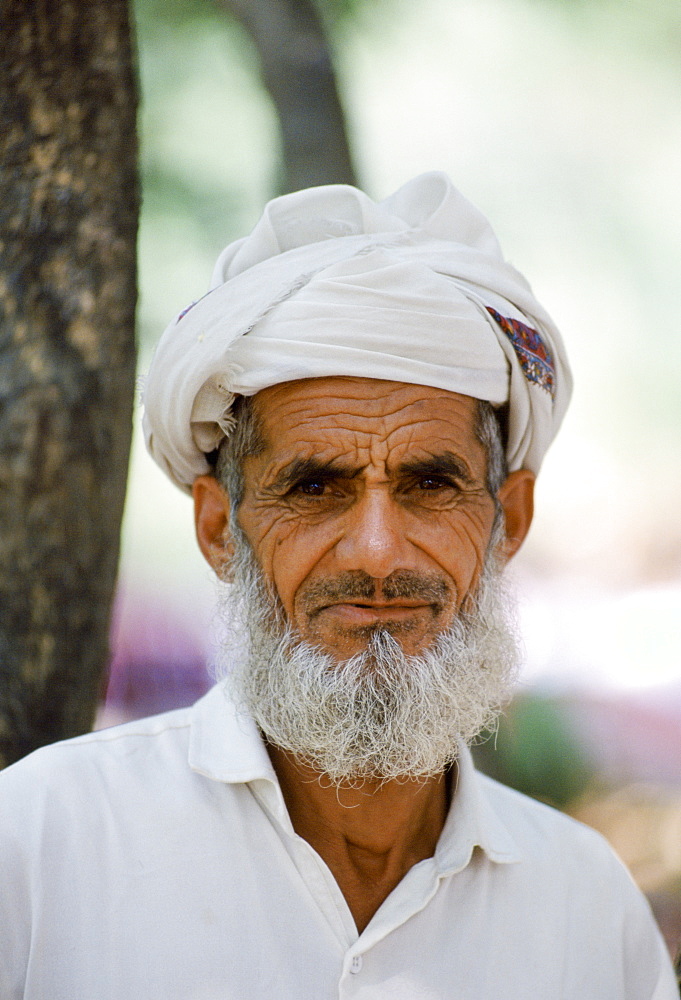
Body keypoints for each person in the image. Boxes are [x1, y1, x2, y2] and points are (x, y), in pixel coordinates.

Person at [0, 173, 676, 999]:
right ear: (220, 528)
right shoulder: (42, 838)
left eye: (432, 485)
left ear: (509, 520)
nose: (380, 553)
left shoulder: (584, 908)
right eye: (314, 488)